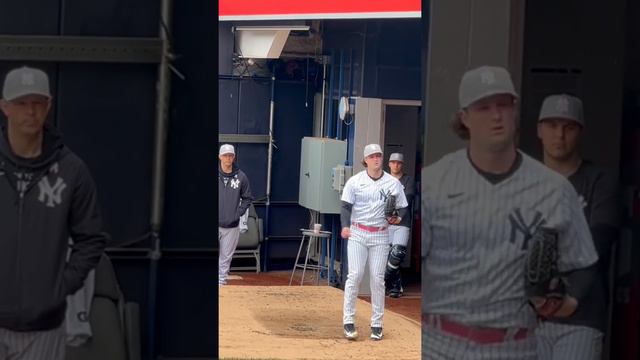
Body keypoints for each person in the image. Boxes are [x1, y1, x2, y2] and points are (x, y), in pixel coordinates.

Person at [420, 66, 598, 359]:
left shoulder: (553, 189)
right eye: (483, 107)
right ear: (464, 117)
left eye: (503, 105)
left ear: (515, 111)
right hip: (438, 341)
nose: (496, 115)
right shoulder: (435, 182)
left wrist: (566, 302)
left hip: (512, 345)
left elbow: (583, 261)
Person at [0, 66, 108, 359]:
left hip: (44, 327)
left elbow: (91, 239)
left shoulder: (71, 170)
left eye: (37, 102)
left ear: (48, 105)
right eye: (22, 103)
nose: (30, 112)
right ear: (5, 106)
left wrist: (61, 287)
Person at [535, 94, 620, 360]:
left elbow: (598, 243)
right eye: (552, 125)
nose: (559, 135)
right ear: (539, 129)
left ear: (580, 132)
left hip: (580, 318)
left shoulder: (599, 182)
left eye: (568, 127)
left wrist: (571, 298)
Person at [340, 143, 408, 341]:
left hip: (380, 234)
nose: (377, 159)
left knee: (378, 279)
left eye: (379, 155)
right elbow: (345, 206)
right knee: (355, 275)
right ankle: (348, 321)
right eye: (373, 156)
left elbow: (403, 206)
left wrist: (398, 219)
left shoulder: (393, 183)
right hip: (358, 232)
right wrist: (345, 226)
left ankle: (377, 324)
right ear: (366, 160)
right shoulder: (355, 181)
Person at [218, 143, 253, 286]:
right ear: (219, 156)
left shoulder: (241, 177)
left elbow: (247, 198)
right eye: (225, 155)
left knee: (226, 257)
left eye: (230, 155)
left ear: (234, 157)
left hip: (231, 225)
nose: (228, 158)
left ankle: (221, 284)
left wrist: (237, 213)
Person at [385, 152, 415, 298]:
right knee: (387, 255)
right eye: (393, 162)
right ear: (389, 164)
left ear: (402, 164)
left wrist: (398, 216)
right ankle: (396, 286)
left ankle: (384, 281)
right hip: (385, 223)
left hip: (402, 222)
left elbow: (407, 199)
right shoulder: (383, 180)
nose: (396, 165)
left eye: (399, 163)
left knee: (397, 253)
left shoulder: (408, 180)